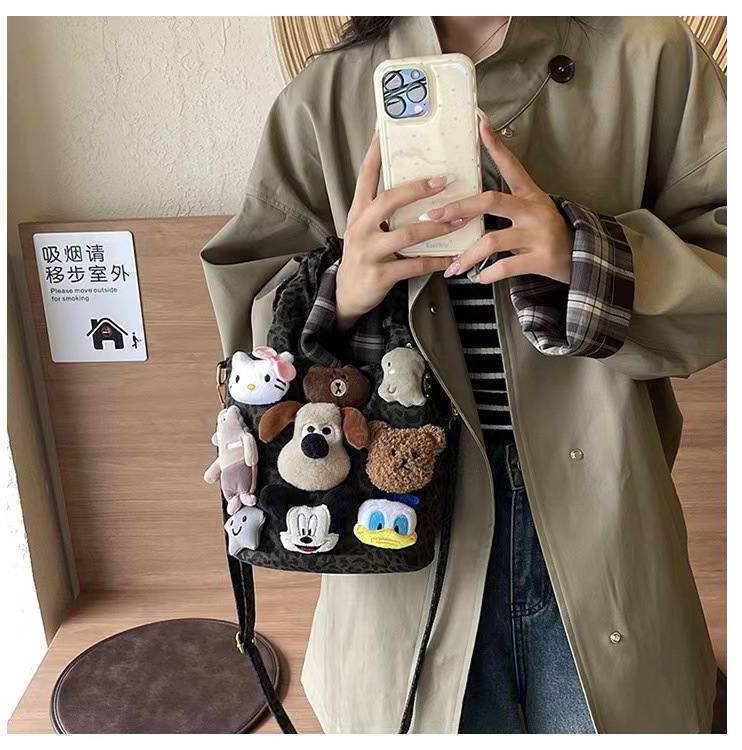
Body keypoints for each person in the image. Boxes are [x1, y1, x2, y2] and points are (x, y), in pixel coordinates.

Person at [201, 16, 726, 733]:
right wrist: (341, 292)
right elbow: (248, 335)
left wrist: (584, 256)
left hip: (607, 510)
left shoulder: (651, 57)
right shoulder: (327, 95)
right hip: (401, 523)